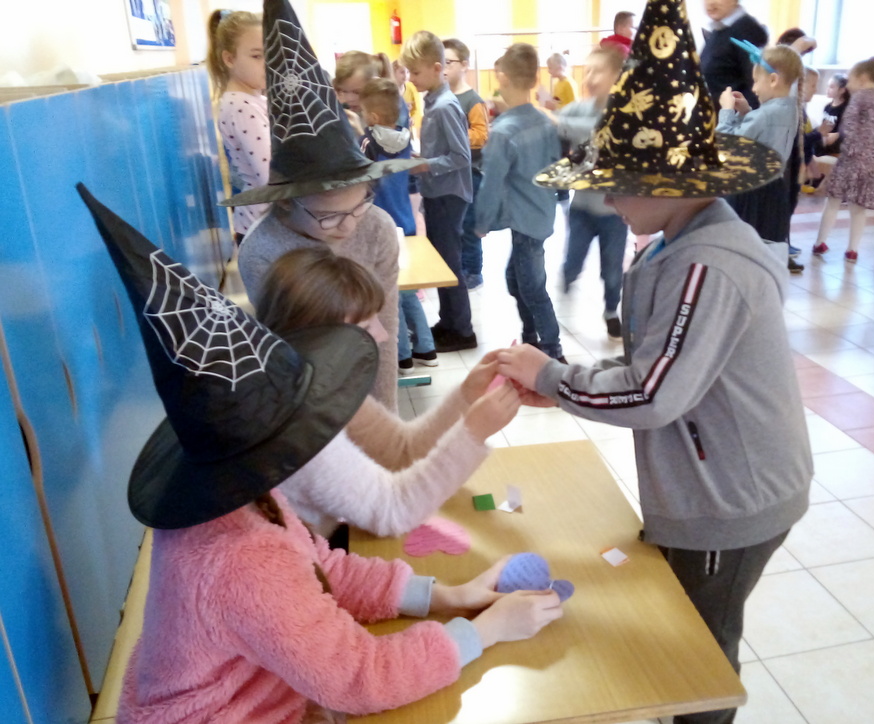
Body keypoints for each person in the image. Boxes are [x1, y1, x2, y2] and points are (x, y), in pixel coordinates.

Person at [75, 185, 562, 724]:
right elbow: (359, 678)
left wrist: (447, 597)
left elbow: (320, 567)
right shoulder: (244, 559)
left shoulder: (248, 494)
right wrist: (484, 632)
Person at [507, 4, 810, 722]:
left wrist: (551, 376)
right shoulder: (677, 244)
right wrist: (576, 387)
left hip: (730, 501)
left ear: (676, 181)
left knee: (700, 649)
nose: (606, 195)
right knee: (689, 624)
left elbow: (653, 393)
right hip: (713, 481)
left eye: (618, 181)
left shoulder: (706, 265)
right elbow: (662, 362)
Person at [232, 1, 420, 412]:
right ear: (287, 203)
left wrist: (386, 418)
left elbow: (385, 334)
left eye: (360, 204)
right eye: (329, 216)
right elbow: (287, 357)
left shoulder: (376, 227)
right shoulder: (262, 252)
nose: (348, 226)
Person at [257, 246, 521, 539]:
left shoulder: (321, 386)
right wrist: (471, 433)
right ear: (318, 340)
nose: (382, 336)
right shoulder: (297, 425)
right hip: (310, 557)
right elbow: (392, 511)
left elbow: (401, 452)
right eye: (365, 326)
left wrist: (468, 394)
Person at [474, 43, 564, 362]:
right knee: (516, 279)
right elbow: (557, 168)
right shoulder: (545, 122)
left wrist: (482, 222)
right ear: (536, 79)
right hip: (541, 215)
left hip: (526, 222)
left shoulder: (503, 132)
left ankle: (552, 350)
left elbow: (490, 183)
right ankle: (531, 337)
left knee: (532, 288)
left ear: (502, 78)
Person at [401, 31, 477, 353]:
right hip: (437, 193)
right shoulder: (432, 102)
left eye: (415, 72)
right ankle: (448, 322)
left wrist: (425, 165)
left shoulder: (445, 106)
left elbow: (461, 156)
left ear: (436, 68)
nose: (411, 79)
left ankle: (463, 331)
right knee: (442, 263)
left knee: (449, 264)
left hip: (449, 196)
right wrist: (422, 159)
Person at [357, 78, 438, 372]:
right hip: (405, 220)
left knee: (390, 293)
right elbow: (411, 178)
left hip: (380, 225)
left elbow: (361, 183)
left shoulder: (367, 142)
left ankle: (402, 355)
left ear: (373, 117)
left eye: (363, 112)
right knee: (406, 290)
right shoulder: (405, 139)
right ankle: (426, 348)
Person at [556, 46, 629, 340]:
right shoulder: (579, 108)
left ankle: (611, 311)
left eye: (598, 71)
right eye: (587, 71)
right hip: (582, 208)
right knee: (573, 262)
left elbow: (597, 131)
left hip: (615, 213)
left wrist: (557, 122)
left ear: (617, 76)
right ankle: (565, 284)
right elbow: (555, 123)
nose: (589, 77)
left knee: (612, 270)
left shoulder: (624, 113)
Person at [717, 43, 805, 273]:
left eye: (757, 81)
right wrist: (746, 112)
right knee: (763, 251)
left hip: (750, 193)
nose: (754, 88)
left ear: (773, 80)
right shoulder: (791, 110)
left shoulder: (765, 115)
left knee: (741, 252)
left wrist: (726, 111)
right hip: (774, 192)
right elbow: (760, 139)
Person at [811, 58, 874, 264]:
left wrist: (839, 144)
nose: (848, 85)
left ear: (862, 78)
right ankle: (852, 250)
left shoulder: (859, 97)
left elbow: (849, 127)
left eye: (851, 79)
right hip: (871, 161)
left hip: (851, 158)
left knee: (833, 201)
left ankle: (820, 242)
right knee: (858, 208)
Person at [206, 9, 269, 241]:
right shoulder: (242, 107)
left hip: (267, 224)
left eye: (270, 54)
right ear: (229, 59)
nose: (268, 64)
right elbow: (271, 176)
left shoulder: (254, 99)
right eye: (257, 56)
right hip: (263, 228)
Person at [443, 37, 490, 290]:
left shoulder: (473, 100)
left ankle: (474, 271)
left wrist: (454, 135)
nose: (443, 68)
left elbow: (481, 135)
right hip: (450, 172)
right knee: (455, 224)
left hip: (471, 172)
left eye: (448, 62)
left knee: (470, 223)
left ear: (464, 65)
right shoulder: (441, 97)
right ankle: (460, 266)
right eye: (440, 62)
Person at [700, 0, 769, 111]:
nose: (711, 2)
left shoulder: (746, 30)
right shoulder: (720, 30)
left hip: (736, 118)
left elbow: (756, 85)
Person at [803, 72, 849, 190]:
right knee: (807, 140)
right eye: (828, 86)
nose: (827, 89)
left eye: (831, 87)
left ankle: (812, 176)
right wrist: (820, 133)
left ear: (842, 90)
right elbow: (824, 127)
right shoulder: (827, 107)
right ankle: (813, 176)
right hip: (825, 138)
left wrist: (836, 135)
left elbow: (848, 130)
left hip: (839, 141)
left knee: (806, 142)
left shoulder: (846, 109)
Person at [393, 59, 421, 137]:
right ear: (394, 73)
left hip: (407, 129)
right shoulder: (390, 90)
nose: (405, 75)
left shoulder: (412, 88)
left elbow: (417, 109)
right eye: (402, 72)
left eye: (408, 72)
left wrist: (413, 118)